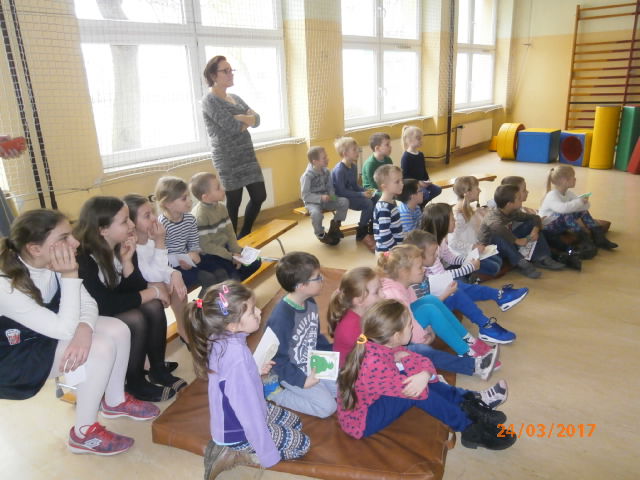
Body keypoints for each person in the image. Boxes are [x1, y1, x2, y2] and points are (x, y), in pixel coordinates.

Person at [1, 209, 159, 456]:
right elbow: (63, 328)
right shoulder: (5, 284)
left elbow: (88, 304)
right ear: (35, 249)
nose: (75, 242)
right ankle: (83, 433)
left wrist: (84, 329)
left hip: (47, 334)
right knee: (100, 348)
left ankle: (115, 401)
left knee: (118, 328)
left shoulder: (51, 262)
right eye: (64, 238)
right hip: (15, 357)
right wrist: (69, 275)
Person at [337, 299, 516, 450]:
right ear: (396, 335)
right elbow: (419, 390)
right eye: (410, 325)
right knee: (415, 390)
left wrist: (424, 373)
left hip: (375, 400)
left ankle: (466, 404)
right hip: (363, 421)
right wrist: (424, 375)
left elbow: (423, 362)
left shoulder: (384, 345)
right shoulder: (374, 364)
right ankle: (469, 428)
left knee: (416, 378)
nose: (412, 328)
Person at [328, 265, 508, 406]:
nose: (383, 294)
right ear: (358, 300)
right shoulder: (352, 327)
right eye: (377, 292)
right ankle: (472, 384)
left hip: (380, 356)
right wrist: (406, 359)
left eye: (381, 289)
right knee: (421, 355)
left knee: (420, 351)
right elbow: (373, 359)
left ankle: (473, 368)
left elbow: (383, 344)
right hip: (363, 373)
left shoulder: (365, 311)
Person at [184, 282, 310, 479]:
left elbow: (233, 382)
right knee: (303, 444)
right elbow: (249, 415)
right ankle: (242, 452)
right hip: (240, 430)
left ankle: (233, 446)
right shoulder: (236, 358)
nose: (259, 311)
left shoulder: (220, 337)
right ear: (233, 325)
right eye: (252, 311)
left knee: (295, 422)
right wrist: (267, 454)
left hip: (237, 415)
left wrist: (255, 372)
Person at [74, 196, 185, 402]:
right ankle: (134, 380)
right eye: (125, 221)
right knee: (136, 318)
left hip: (108, 305)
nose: (132, 225)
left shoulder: (122, 245)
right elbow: (105, 304)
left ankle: (157, 368)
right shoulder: (84, 259)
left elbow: (135, 288)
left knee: (153, 307)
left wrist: (127, 263)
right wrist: (154, 291)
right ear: (103, 230)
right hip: (87, 316)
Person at [378, 244, 504, 386]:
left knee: (430, 299)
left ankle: (470, 341)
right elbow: (408, 320)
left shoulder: (403, 284)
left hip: (407, 326)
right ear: (403, 272)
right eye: (419, 267)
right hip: (400, 337)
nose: (424, 269)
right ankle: (465, 352)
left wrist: (429, 328)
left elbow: (415, 307)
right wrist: (423, 337)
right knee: (429, 310)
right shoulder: (394, 294)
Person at [404, 230, 525, 346]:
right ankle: (488, 320)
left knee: (457, 286)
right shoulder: (415, 278)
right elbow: (426, 308)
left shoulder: (421, 268)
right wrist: (447, 292)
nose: (436, 255)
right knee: (456, 292)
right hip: (429, 317)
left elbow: (440, 281)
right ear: (419, 256)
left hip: (436, 302)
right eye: (433, 254)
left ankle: (496, 303)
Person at [266, 252, 337, 418]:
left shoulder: (309, 301)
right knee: (327, 408)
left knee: (342, 389)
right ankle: (274, 392)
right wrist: (301, 381)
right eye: (317, 277)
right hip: (290, 371)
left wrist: (332, 352)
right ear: (301, 286)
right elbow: (277, 358)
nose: (322, 280)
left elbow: (314, 336)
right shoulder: (281, 317)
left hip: (311, 362)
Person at [202, 55, 266, 238]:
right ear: (213, 75)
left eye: (231, 70)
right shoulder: (209, 100)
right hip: (227, 158)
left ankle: (244, 234)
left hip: (247, 155)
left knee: (259, 196)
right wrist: (246, 120)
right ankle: (231, 242)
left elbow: (258, 119)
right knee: (234, 202)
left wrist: (241, 119)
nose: (231, 74)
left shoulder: (235, 98)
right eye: (225, 71)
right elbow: (231, 127)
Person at [123, 194, 189, 344]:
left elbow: (162, 267)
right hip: (139, 289)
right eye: (147, 216)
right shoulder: (132, 247)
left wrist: (175, 273)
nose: (154, 218)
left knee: (178, 288)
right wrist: (160, 241)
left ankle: (183, 327)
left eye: (153, 212)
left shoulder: (149, 240)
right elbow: (152, 275)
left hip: (154, 282)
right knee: (167, 288)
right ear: (131, 223)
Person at [155, 176, 227, 297]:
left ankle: (221, 302)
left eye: (188, 196)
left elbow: (194, 243)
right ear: (168, 204)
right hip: (173, 268)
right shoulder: (161, 225)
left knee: (221, 273)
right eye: (184, 198)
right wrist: (181, 261)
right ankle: (199, 306)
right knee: (208, 279)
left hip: (188, 260)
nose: (190, 201)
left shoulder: (190, 219)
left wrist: (194, 253)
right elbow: (160, 255)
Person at [478, 185, 565, 279]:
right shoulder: (492, 216)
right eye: (519, 199)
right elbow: (497, 227)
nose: (521, 200)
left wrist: (535, 231)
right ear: (509, 204)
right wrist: (517, 240)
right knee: (497, 236)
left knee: (531, 223)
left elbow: (535, 218)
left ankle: (542, 258)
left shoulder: (512, 212)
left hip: (509, 243)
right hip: (491, 250)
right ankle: (521, 263)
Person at [190, 172, 261, 281]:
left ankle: (237, 280)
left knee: (256, 262)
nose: (223, 189)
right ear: (206, 197)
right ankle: (234, 284)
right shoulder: (200, 216)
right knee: (233, 277)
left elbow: (230, 232)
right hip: (211, 255)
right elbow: (207, 246)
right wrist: (231, 256)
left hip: (225, 248)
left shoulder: (222, 208)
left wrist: (236, 251)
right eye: (218, 188)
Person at [540, 165, 617, 256]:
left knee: (582, 212)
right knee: (566, 215)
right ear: (564, 180)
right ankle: (585, 242)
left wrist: (584, 202)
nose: (575, 179)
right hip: (548, 227)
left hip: (560, 225)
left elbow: (584, 208)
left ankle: (599, 237)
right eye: (573, 177)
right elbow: (562, 209)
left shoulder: (568, 193)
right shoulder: (552, 195)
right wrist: (579, 202)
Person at [450, 176, 503, 278]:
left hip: (472, 250)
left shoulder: (468, 208)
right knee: (495, 267)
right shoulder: (458, 215)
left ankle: (471, 270)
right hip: (461, 254)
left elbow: (470, 233)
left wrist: (477, 244)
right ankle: (467, 271)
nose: (480, 190)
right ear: (468, 192)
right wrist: (472, 247)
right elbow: (452, 243)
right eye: (477, 188)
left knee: (498, 260)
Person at [331, 137, 376, 251]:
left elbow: (355, 186)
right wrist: (361, 195)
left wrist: (366, 191)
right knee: (368, 203)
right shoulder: (339, 170)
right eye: (354, 150)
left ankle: (371, 226)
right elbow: (341, 191)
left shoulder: (353, 166)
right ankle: (361, 231)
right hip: (340, 198)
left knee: (374, 198)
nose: (358, 152)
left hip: (349, 195)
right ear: (345, 153)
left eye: (357, 149)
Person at [300, 146, 349, 245]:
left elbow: (330, 187)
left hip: (327, 198)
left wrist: (332, 196)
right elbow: (305, 195)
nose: (327, 159)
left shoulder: (326, 171)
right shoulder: (307, 176)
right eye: (324, 158)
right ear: (315, 162)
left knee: (344, 201)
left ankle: (335, 226)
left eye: (326, 156)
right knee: (316, 214)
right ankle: (321, 234)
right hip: (312, 202)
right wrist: (320, 198)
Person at [400, 125, 441, 207]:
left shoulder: (420, 154)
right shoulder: (406, 157)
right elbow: (405, 176)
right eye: (418, 138)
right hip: (413, 186)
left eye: (421, 138)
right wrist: (418, 183)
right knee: (424, 193)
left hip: (422, 183)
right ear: (409, 140)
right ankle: (418, 205)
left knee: (437, 189)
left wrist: (427, 180)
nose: (421, 141)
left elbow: (424, 170)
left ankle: (421, 204)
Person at [373, 164, 405, 253]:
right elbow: (385, 235)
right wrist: (396, 250)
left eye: (401, 180)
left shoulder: (391, 202)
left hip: (394, 248)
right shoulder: (384, 208)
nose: (402, 184)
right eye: (397, 182)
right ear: (384, 186)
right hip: (388, 252)